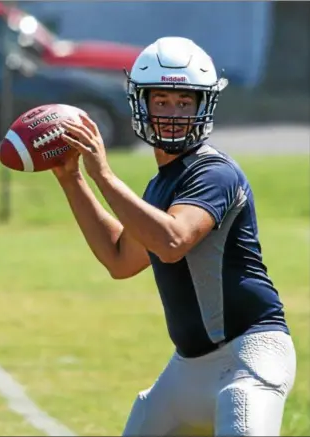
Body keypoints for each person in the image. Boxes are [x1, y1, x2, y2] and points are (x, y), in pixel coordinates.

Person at [52, 37, 296, 436]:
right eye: (161, 101)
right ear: (141, 104)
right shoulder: (158, 187)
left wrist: (105, 176)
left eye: (184, 102)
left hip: (247, 357)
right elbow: (120, 259)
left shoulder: (213, 173)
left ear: (203, 106)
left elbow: (171, 243)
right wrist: (73, 179)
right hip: (187, 368)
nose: (172, 113)